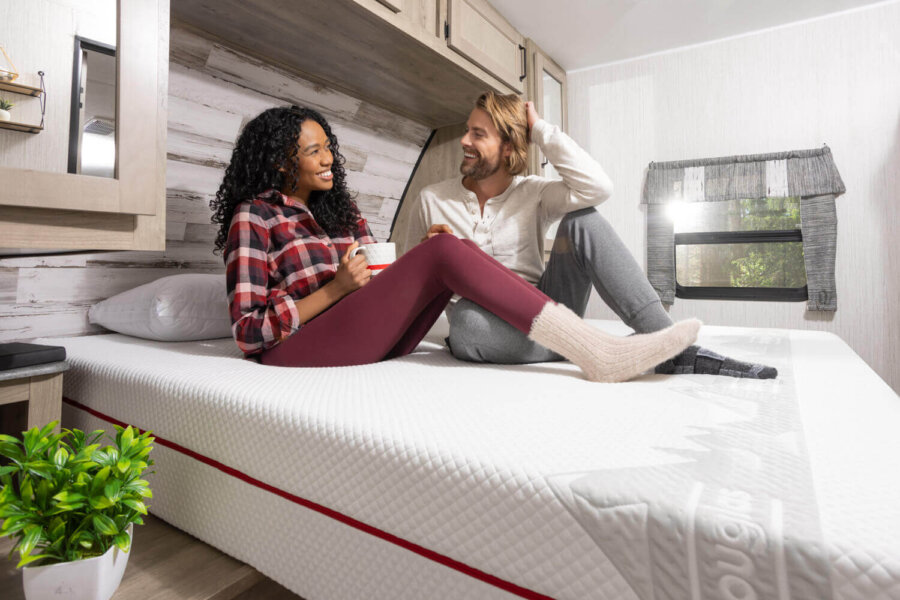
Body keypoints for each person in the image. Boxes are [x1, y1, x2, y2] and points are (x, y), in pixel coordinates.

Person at [209, 105, 701, 382]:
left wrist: (410, 266)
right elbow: (250, 334)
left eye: (328, 149)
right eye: (314, 151)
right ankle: (594, 348)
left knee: (443, 250)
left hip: (362, 335)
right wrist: (337, 289)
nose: (329, 160)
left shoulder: (344, 214)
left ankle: (615, 345)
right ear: (278, 162)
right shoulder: (255, 216)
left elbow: (375, 289)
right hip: (296, 349)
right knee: (446, 259)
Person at [406, 92, 777, 379]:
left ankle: (666, 344)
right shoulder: (432, 198)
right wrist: (432, 256)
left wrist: (539, 129)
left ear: (507, 148)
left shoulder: (534, 193)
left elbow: (597, 186)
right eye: (466, 130)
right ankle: (600, 349)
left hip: (547, 309)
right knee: (467, 325)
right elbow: (408, 281)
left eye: (478, 134)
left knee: (582, 219)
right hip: (489, 325)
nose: (464, 141)